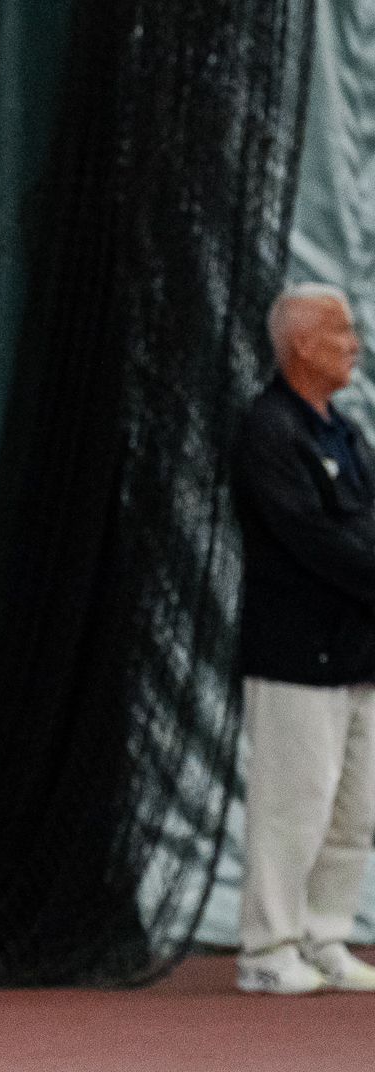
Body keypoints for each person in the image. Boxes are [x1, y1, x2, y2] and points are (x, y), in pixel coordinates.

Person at [230, 283, 375, 994]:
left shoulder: (342, 432)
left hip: (358, 652)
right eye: (341, 332)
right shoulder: (268, 429)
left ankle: (325, 936)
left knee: (356, 811)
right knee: (294, 805)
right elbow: (309, 537)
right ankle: (268, 947)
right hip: (293, 653)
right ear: (302, 345)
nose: (354, 344)